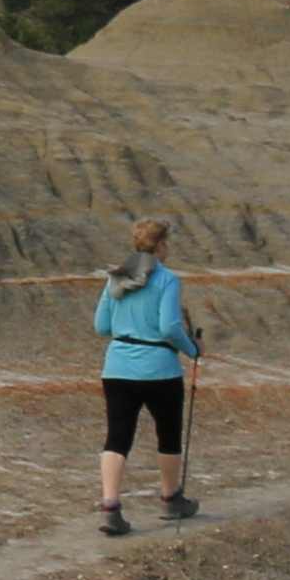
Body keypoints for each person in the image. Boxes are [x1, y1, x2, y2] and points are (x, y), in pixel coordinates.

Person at [93, 216, 199, 536]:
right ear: (162, 245)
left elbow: (101, 326)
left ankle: (110, 507)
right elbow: (169, 326)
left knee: (118, 436)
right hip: (160, 369)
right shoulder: (167, 280)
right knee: (168, 434)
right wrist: (192, 348)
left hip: (118, 367)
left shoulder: (115, 278)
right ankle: (170, 498)